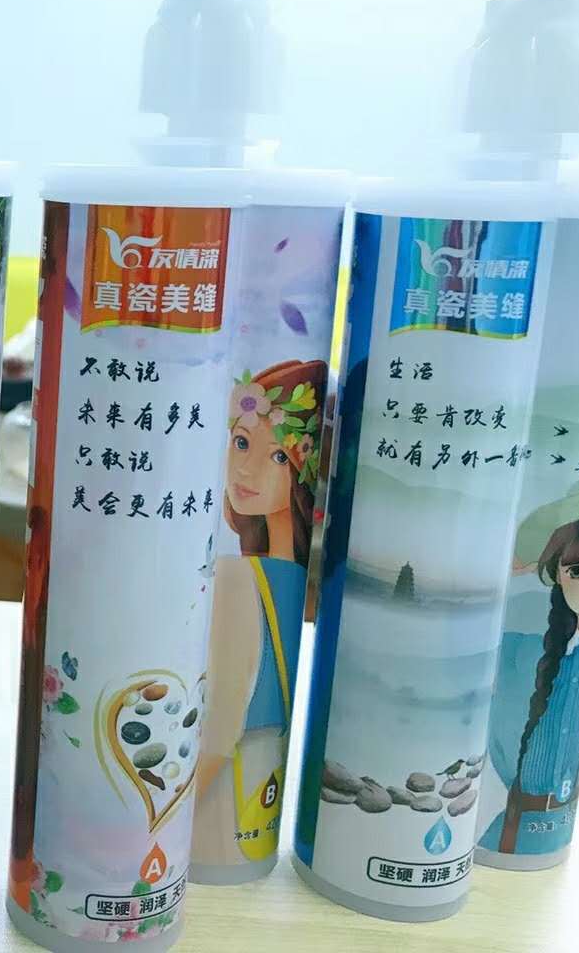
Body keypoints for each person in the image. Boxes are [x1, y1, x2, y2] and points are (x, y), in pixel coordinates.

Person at [193, 360, 323, 865]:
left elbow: (218, 733)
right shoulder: (283, 578)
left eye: (277, 456)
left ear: (299, 468)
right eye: (242, 443)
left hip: (211, 816)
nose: (245, 469)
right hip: (251, 812)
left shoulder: (236, 578)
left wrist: (147, 831)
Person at [481, 478, 579, 857]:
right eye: (577, 571)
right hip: (508, 818)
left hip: (551, 823)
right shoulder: (521, 648)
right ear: (557, 573)